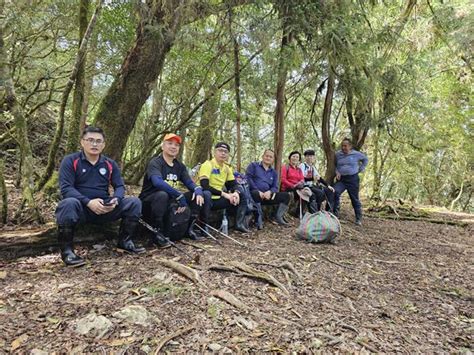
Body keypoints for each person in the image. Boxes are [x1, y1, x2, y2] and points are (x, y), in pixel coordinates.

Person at [56, 126, 144, 267]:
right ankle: (67, 252)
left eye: (98, 141)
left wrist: (116, 200)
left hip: (105, 208)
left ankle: (125, 241)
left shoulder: (109, 164)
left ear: (103, 145)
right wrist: (88, 202)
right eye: (90, 140)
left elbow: (120, 186)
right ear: (82, 142)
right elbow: (66, 188)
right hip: (81, 209)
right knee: (67, 203)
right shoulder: (70, 161)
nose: (94, 144)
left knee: (134, 202)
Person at [139, 133, 212, 243]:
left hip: (170, 201)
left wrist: (198, 189)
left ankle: (188, 229)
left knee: (198, 195)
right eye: (170, 143)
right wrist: (178, 195)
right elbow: (157, 182)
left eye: (177, 145)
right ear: (162, 146)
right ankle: (157, 232)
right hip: (150, 202)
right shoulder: (155, 163)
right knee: (162, 194)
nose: (173, 147)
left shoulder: (180, 166)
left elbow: (189, 182)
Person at [198, 142, 249, 233]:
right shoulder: (208, 164)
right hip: (205, 199)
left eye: (225, 152)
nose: (223, 153)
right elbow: (204, 186)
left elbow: (234, 184)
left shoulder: (226, 168)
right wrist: (225, 194)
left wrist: (236, 193)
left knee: (242, 195)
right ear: (214, 152)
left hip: (218, 199)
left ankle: (239, 224)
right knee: (207, 193)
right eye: (220, 151)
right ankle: (203, 227)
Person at [246, 149, 290, 226]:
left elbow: (275, 187)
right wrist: (257, 190)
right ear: (263, 156)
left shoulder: (273, 172)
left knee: (286, 196)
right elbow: (248, 179)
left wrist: (269, 192)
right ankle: (258, 219)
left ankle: (278, 216)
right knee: (255, 193)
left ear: (273, 159)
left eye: (271, 157)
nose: (268, 158)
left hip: (268, 196)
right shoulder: (253, 166)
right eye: (267, 156)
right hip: (255, 195)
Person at [334, 138, 369, 225]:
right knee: (335, 192)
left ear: (350, 146)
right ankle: (335, 213)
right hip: (342, 179)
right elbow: (334, 165)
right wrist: (337, 172)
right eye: (342, 146)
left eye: (345, 146)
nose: (343, 147)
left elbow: (365, 159)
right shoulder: (338, 154)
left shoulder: (356, 154)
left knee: (354, 198)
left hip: (352, 179)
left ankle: (358, 218)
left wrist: (360, 169)